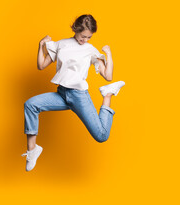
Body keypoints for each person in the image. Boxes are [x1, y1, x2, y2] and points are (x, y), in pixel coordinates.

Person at [21, 14, 125, 171]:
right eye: (83, 36)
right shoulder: (62, 44)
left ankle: (108, 95)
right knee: (30, 105)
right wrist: (40, 45)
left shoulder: (90, 50)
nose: (85, 40)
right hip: (62, 94)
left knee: (102, 136)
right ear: (76, 29)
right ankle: (32, 150)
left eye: (89, 37)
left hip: (78, 96)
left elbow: (108, 76)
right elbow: (41, 65)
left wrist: (108, 54)